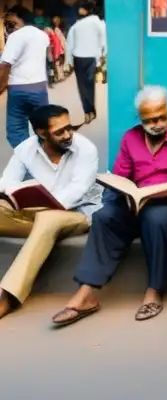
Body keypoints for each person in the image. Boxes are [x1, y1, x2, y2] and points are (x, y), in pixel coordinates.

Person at [51, 85, 167, 327]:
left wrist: (155, 193)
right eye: (148, 120)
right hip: (136, 204)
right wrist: (121, 189)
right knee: (105, 216)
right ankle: (86, 294)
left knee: (157, 217)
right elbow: (121, 176)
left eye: (161, 117)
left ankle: (155, 291)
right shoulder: (130, 138)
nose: (156, 124)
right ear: (140, 118)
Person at [0, 105, 102, 320]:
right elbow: (7, 182)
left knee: (47, 219)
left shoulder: (86, 149)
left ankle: (7, 296)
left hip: (77, 214)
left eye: (69, 128)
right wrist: (15, 196)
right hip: (40, 216)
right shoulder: (25, 149)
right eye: (59, 132)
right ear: (41, 133)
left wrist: (45, 205)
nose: (67, 135)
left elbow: (78, 190)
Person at [0, 6, 50, 148]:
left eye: (11, 22)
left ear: (20, 18)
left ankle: (28, 160)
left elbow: (5, 66)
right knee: (43, 128)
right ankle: (42, 159)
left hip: (18, 89)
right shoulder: (43, 35)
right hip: (40, 88)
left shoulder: (16, 36)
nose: (9, 27)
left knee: (15, 131)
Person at [65, 2, 106, 125]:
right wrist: (102, 57)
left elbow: (69, 45)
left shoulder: (76, 25)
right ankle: (91, 110)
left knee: (82, 87)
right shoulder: (99, 23)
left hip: (78, 58)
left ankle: (88, 111)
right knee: (90, 85)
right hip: (91, 58)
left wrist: (69, 62)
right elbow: (104, 41)